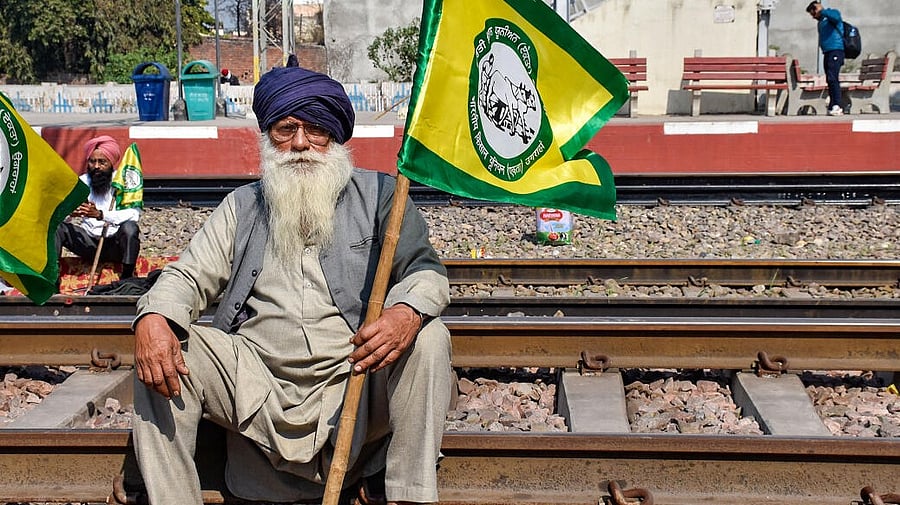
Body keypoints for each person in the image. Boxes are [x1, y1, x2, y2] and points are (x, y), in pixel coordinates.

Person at [131, 66, 452, 505]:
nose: (300, 144)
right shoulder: (242, 206)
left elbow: (426, 271)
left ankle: (409, 496)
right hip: (257, 385)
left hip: (352, 378)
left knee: (429, 337)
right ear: (268, 135)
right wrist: (154, 316)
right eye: (286, 130)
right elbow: (187, 276)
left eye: (315, 130)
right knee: (163, 341)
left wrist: (405, 312)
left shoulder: (383, 198)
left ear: (335, 137)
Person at [55, 135, 141, 280]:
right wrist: (71, 213)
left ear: (111, 163)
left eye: (102, 162)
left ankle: (127, 278)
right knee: (57, 228)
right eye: (92, 161)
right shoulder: (82, 183)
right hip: (88, 244)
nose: (96, 167)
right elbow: (59, 215)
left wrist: (100, 214)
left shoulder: (123, 182)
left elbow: (135, 214)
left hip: (115, 244)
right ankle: (53, 281)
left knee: (130, 228)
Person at [806, 1, 845, 116]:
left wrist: (822, 10)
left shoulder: (832, 14)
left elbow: (836, 17)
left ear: (816, 9)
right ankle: (833, 105)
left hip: (836, 50)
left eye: (813, 14)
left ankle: (837, 105)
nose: (813, 17)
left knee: (833, 78)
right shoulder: (821, 22)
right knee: (830, 79)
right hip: (827, 52)